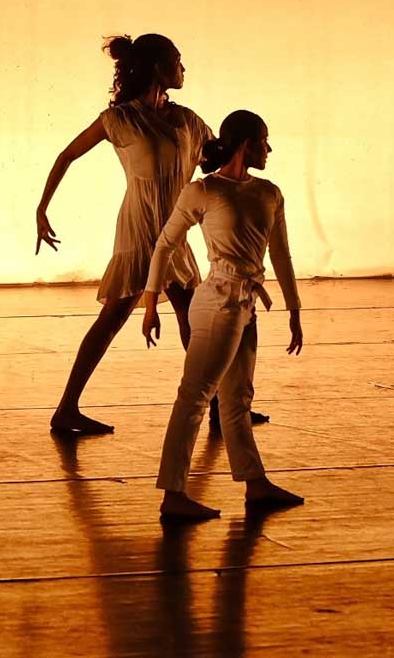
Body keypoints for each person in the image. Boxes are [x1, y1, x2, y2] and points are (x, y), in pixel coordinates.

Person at [36, 34, 268, 434]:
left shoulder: (188, 121)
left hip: (174, 230)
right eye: (178, 62)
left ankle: (219, 406)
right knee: (115, 317)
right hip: (138, 229)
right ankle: (66, 409)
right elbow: (67, 155)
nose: (184, 69)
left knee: (192, 317)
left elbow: (219, 157)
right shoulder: (119, 119)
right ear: (158, 67)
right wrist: (42, 208)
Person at [143, 110, 304, 521]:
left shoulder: (269, 192)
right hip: (216, 301)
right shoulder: (203, 191)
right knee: (195, 395)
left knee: (238, 398)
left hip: (246, 303)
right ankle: (173, 493)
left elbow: (280, 253)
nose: (269, 149)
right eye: (264, 140)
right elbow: (164, 245)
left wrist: (294, 308)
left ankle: (255, 483)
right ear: (246, 144)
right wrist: (149, 303)